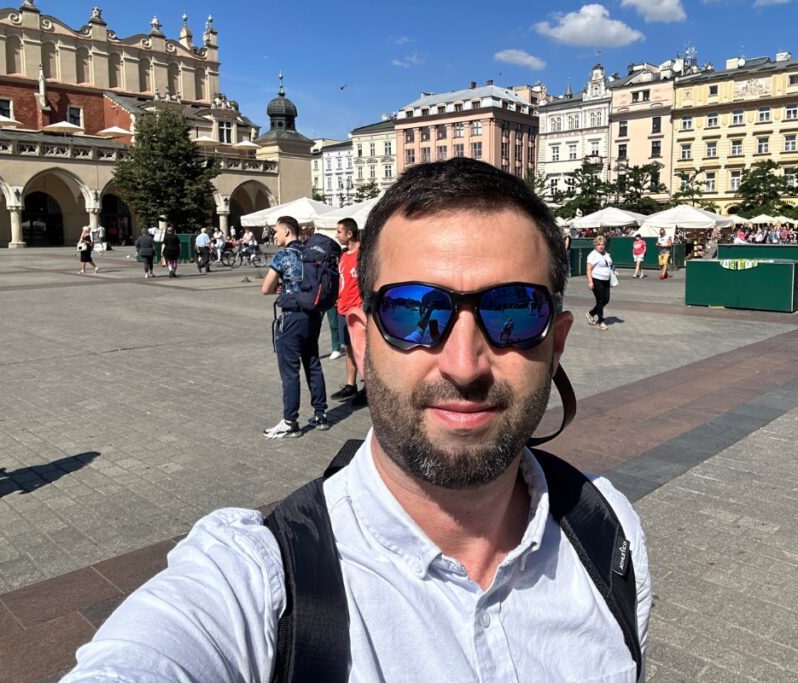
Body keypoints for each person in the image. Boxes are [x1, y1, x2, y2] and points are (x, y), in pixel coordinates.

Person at [62, 157, 652, 682]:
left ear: (557, 343)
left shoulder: (607, 532)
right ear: (362, 343)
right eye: (415, 312)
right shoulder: (262, 581)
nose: (465, 364)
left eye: (514, 312)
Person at [261, 217, 330, 437]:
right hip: (314, 314)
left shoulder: (284, 256)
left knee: (290, 370)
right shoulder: (313, 254)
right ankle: (320, 414)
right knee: (312, 362)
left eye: (276, 231)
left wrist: (282, 287)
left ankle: (291, 421)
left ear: (287, 232)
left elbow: (266, 288)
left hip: (292, 318)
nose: (274, 236)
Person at [329, 218, 366, 406]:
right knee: (349, 348)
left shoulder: (363, 255)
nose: (336, 235)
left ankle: (368, 388)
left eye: (339, 232)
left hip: (357, 311)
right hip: (342, 309)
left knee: (363, 350)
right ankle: (350, 385)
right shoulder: (343, 255)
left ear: (349, 234)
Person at [586, 234, 614, 330]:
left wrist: (614, 270)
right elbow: (589, 269)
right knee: (600, 300)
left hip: (606, 280)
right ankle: (601, 321)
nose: (601, 246)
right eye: (598, 244)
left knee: (606, 299)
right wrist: (590, 282)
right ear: (595, 245)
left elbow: (610, 264)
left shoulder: (606, 254)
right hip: (597, 280)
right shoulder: (592, 255)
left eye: (602, 244)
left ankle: (591, 313)